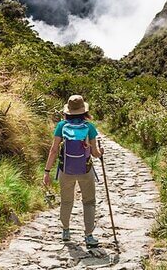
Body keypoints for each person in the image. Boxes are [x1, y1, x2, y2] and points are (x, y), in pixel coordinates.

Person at [43, 95, 103, 246]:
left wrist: (47, 171)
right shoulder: (89, 127)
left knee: (66, 201)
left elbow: (53, 150)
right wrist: (101, 152)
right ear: (84, 111)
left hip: (66, 170)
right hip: (85, 170)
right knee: (89, 202)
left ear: (68, 110)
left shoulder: (61, 126)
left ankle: (65, 231)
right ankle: (89, 235)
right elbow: (95, 153)